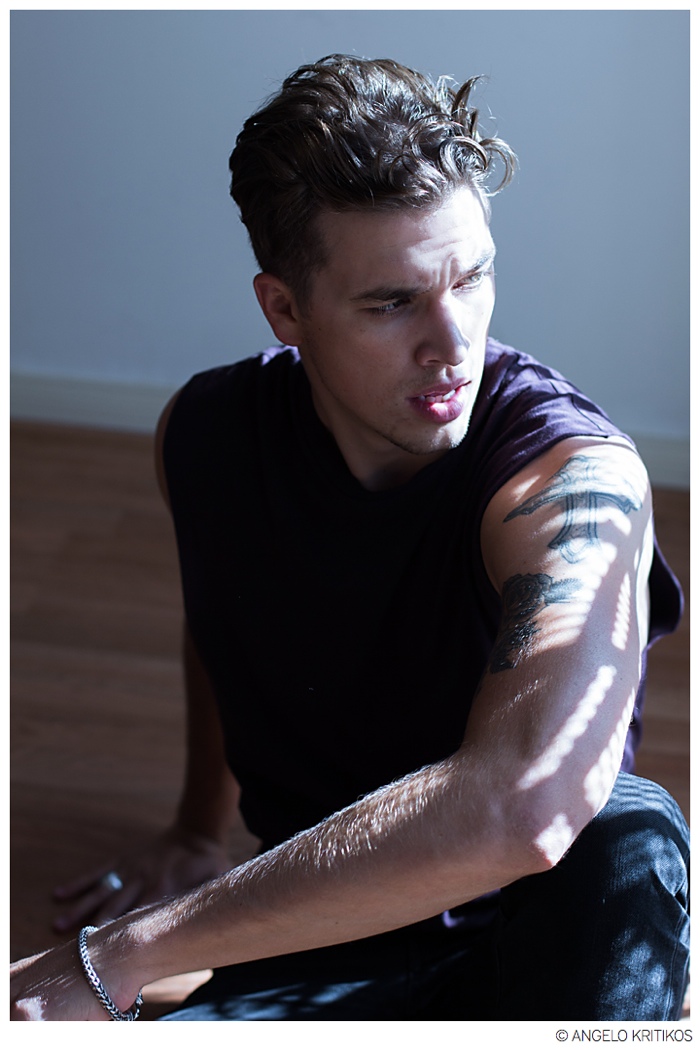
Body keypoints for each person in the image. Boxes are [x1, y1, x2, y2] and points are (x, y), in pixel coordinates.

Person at [11, 54, 689, 1022]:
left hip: (531, 937)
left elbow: (530, 805)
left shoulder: (575, 480)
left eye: (473, 278)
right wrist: (196, 828)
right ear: (284, 309)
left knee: (625, 832)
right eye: (392, 302)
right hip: (307, 934)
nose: (452, 345)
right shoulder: (207, 437)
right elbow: (222, 624)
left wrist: (121, 954)